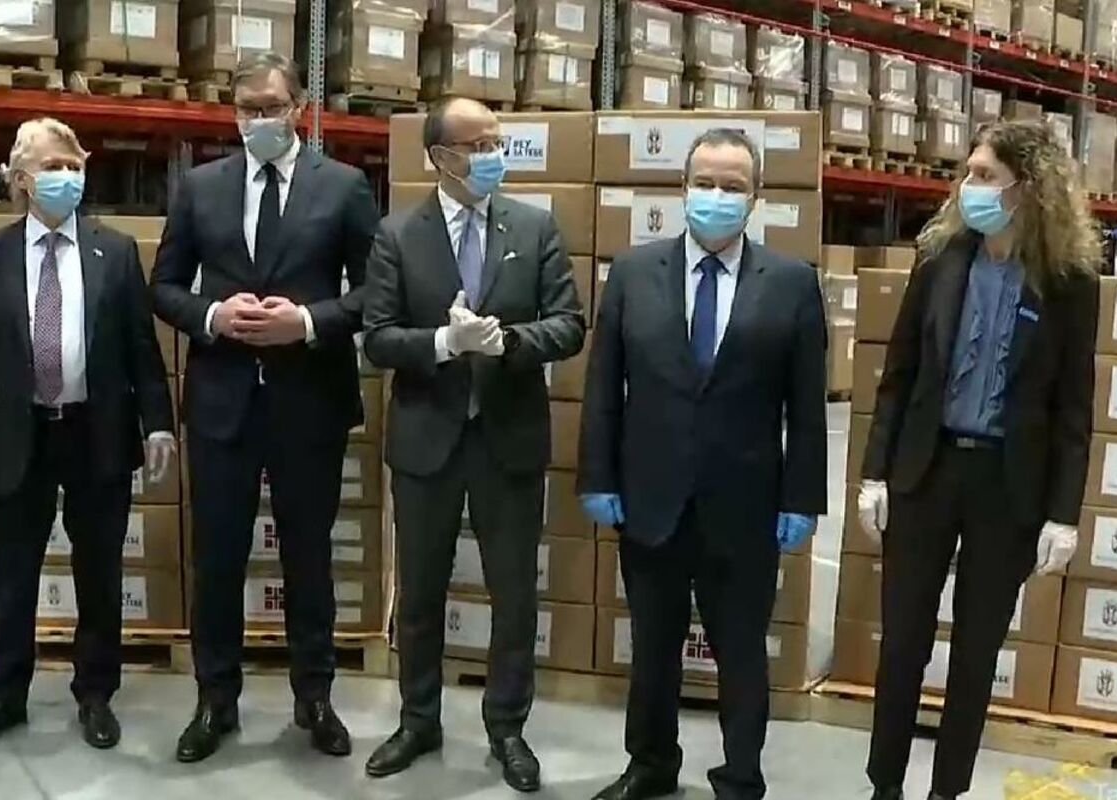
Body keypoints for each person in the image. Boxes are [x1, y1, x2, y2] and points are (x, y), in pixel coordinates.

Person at [578, 129, 827, 800]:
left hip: (746, 505)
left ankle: (741, 777)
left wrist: (802, 498)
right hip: (651, 498)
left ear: (756, 197)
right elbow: (603, 386)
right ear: (683, 189)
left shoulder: (793, 283)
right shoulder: (633, 273)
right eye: (705, 183)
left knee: (741, 654)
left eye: (733, 186)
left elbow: (807, 406)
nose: (717, 196)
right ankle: (650, 764)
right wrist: (598, 477)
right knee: (652, 649)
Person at [858, 120, 1099, 800]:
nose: (969, 187)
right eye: (968, 174)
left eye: (986, 176)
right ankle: (884, 786)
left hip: (1007, 486)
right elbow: (899, 375)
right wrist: (874, 473)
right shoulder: (939, 259)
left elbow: (1074, 406)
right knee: (902, 643)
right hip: (927, 470)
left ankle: (947, 791)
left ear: (1028, 188)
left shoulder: (1069, 282)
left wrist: (1063, 515)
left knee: (975, 651)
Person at [150, 51, 378, 763]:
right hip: (222, 402)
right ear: (233, 113)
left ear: (299, 107)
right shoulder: (200, 187)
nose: (260, 120)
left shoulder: (343, 187)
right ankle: (215, 700)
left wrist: (305, 323)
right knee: (217, 557)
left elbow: (377, 292)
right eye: (248, 109)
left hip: (309, 401)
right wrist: (213, 315)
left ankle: (315, 696)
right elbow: (165, 286)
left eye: (273, 107)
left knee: (309, 556)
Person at [362, 96, 585, 792]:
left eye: (497, 143)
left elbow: (569, 324)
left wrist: (507, 342)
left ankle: (507, 728)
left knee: (513, 595)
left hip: (508, 439)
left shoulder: (535, 227)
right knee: (421, 592)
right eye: (477, 146)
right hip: (426, 441)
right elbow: (377, 337)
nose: (493, 156)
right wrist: (442, 342)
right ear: (440, 157)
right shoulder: (398, 234)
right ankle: (417, 720)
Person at [0, 118, 176, 751]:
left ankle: (96, 693)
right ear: (22, 178)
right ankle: (4, 696)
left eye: (76, 166)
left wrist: (158, 424)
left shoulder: (116, 252)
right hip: (19, 434)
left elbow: (142, 349)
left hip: (96, 431)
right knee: (13, 571)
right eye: (55, 166)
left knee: (100, 569)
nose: (68, 178)